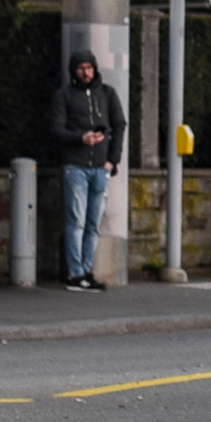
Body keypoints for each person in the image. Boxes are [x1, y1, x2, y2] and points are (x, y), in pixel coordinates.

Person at [50, 50, 124, 289]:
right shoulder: (64, 96)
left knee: (93, 223)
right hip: (76, 166)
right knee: (77, 220)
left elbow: (119, 125)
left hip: (100, 168)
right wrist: (80, 138)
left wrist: (112, 161)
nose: (86, 72)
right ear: (74, 71)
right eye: (81, 68)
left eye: (89, 68)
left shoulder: (107, 93)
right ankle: (75, 273)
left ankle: (86, 271)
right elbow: (57, 130)